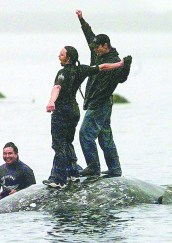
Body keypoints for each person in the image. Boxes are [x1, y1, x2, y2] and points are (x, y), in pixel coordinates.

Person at [43, 45, 131, 189]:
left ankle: (59, 179)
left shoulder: (62, 73)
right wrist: (119, 64)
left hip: (62, 112)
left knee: (59, 144)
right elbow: (102, 67)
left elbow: (57, 87)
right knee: (68, 142)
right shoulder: (81, 69)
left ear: (68, 58)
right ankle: (73, 174)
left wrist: (51, 101)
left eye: (62, 55)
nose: (59, 56)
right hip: (74, 111)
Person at [76, 10, 132, 178]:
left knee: (85, 134)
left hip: (100, 103)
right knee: (104, 136)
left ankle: (93, 167)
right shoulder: (96, 50)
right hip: (100, 102)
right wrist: (81, 20)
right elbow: (89, 35)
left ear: (105, 45)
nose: (95, 51)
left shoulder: (115, 60)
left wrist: (126, 66)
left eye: (98, 48)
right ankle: (115, 169)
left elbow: (122, 79)